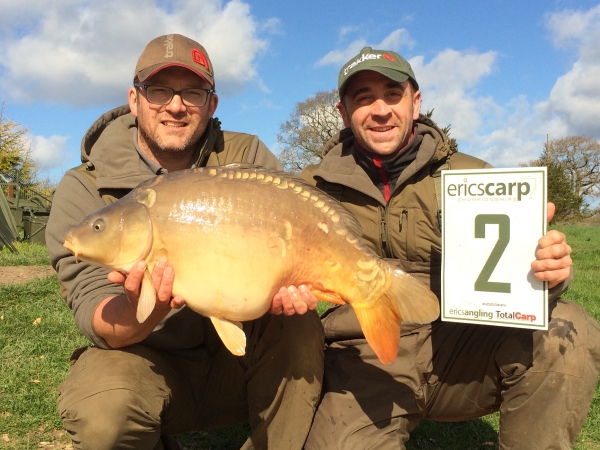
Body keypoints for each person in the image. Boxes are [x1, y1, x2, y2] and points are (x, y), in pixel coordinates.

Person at [291, 47, 600, 449]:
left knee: (568, 330)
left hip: (461, 349)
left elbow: (521, 269)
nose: (380, 109)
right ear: (344, 113)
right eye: (363, 97)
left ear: (415, 102)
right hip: (366, 356)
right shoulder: (310, 189)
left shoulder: (471, 174)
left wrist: (553, 271)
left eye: (392, 93)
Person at [46, 34, 324, 450]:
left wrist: (297, 278)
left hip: (240, 359)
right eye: (159, 90)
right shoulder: (84, 189)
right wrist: (145, 306)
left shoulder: (247, 159)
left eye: (191, 92)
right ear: (134, 98)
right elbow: (95, 314)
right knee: (102, 412)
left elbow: (295, 232)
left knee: (299, 325)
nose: (175, 105)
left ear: (211, 104)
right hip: (148, 362)